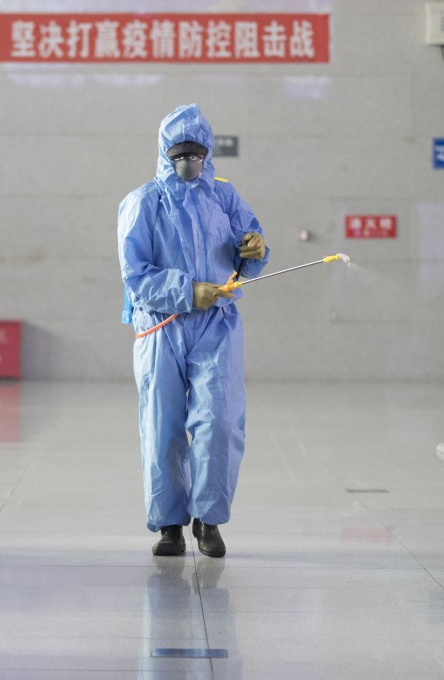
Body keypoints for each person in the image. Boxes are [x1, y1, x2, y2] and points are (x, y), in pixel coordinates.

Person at [117, 103, 269, 558]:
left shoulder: (224, 196)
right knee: (163, 425)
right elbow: (136, 273)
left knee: (218, 421)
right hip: (161, 328)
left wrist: (256, 249)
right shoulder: (142, 202)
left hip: (216, 325)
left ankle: (209, 519)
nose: (189, 161)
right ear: (165, 152)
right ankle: (168, 524)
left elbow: (250, 250)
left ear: (208, 151)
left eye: (196, 153)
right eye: (180, 153)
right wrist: (187, 291)